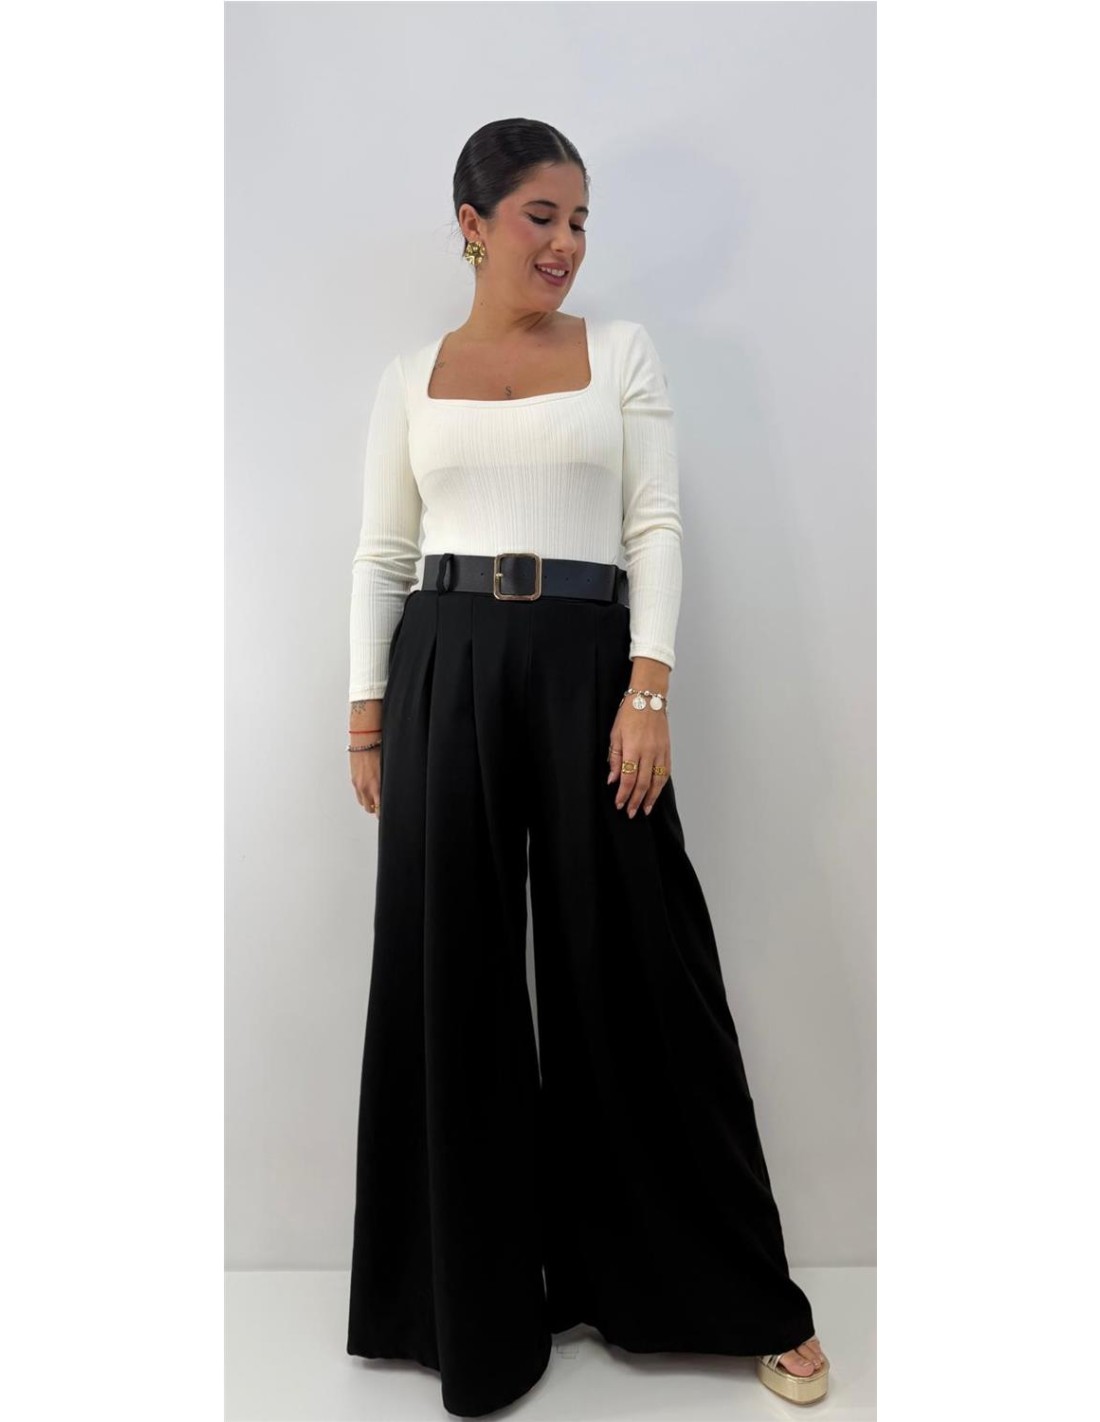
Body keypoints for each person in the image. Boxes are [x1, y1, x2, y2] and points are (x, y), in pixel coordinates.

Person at [344, 118, 830, 1417]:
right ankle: (471, 1313)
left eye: (579, 222)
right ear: (472, 224)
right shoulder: (410, 375)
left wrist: (647, 686)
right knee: (450, 976)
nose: (564, 243)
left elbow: (652, 522)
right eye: (539, 217)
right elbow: (381, 552)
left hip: (585, 665)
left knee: (635, 960)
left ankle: (734, 1297)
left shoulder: (622, 353)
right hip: (442, 662)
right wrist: (366, 715)